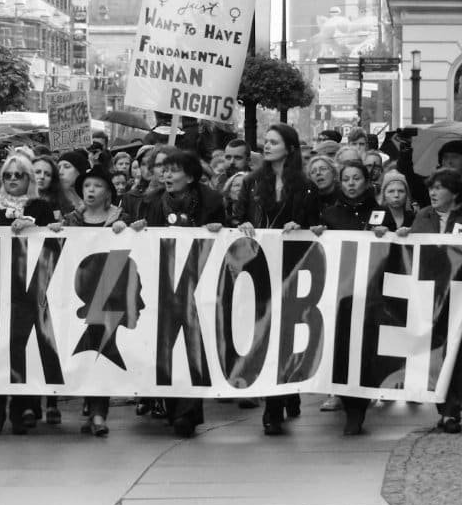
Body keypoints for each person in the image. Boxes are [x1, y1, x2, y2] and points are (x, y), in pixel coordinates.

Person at [397, 168, 462, 433]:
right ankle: (438, 401)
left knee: (455, 352)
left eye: (439, 187)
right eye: (431, 187)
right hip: (429, 296)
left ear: (455, 192)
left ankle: (450, 412)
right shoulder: (424, 215)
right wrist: (403, 235)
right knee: (434, 352)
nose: (432, 193)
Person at [132, 149, 224, 437]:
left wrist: (217, 229)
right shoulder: (151, 201)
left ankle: (188, 412)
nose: (166, 175)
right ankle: (173, 407)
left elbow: (226, 236)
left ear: (191, 175)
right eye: (163, 170)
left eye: (173, 170)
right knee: (168, 346)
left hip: (199, 285)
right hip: (165, 284)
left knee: (193, 346)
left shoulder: (211, 200)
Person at [303, 161, 395, 435]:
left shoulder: (381, 213)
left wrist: (387, 235)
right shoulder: (329, 214)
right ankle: (348, 404)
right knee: (342, 351)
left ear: (367, 182)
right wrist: (318, 234)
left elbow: (397, 249)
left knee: (366, 352)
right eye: (346, 179)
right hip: (341, 297)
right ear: (340, 183)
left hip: (372, 297)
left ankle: (359, 410)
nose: (352, 183)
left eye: (357, 178)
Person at [235, 124, 309, 435]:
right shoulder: (252, 182)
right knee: (264, 335)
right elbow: (237, 217)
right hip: (259, 266)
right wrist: (243, 226)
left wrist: (301, 224)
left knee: (286, 335)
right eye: (265, 141)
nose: (266, 146)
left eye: (274, 142)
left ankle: (283, 395)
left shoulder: (304, 186)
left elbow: (315, 224)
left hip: (291, 268)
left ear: (289, 148)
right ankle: (274, 404)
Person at [0, 154, 59, 435]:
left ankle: (22, 407)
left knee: (25, 346)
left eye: (19, 175)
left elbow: (53, 239)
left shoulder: (41, 207)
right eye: (8, 176)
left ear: (29, 179)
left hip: (30, 288)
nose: (13, 180)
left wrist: (34, 227)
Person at [62, 165, 130, 437]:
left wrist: (128, 229)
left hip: (109, 298)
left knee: (102, 352)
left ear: (108, 193)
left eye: (97, 186)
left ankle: (100, 413)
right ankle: (90, 408)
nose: (91, 190)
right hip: (77, 298)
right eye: (87, 186)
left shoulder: (120, 218)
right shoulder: (71, 220)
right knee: (83, 354)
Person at [57, 150, 89, 215]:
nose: (60, 172)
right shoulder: (55, 200)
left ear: (80, 171)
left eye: (67, 167)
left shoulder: (94, 199)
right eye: (58, 168)